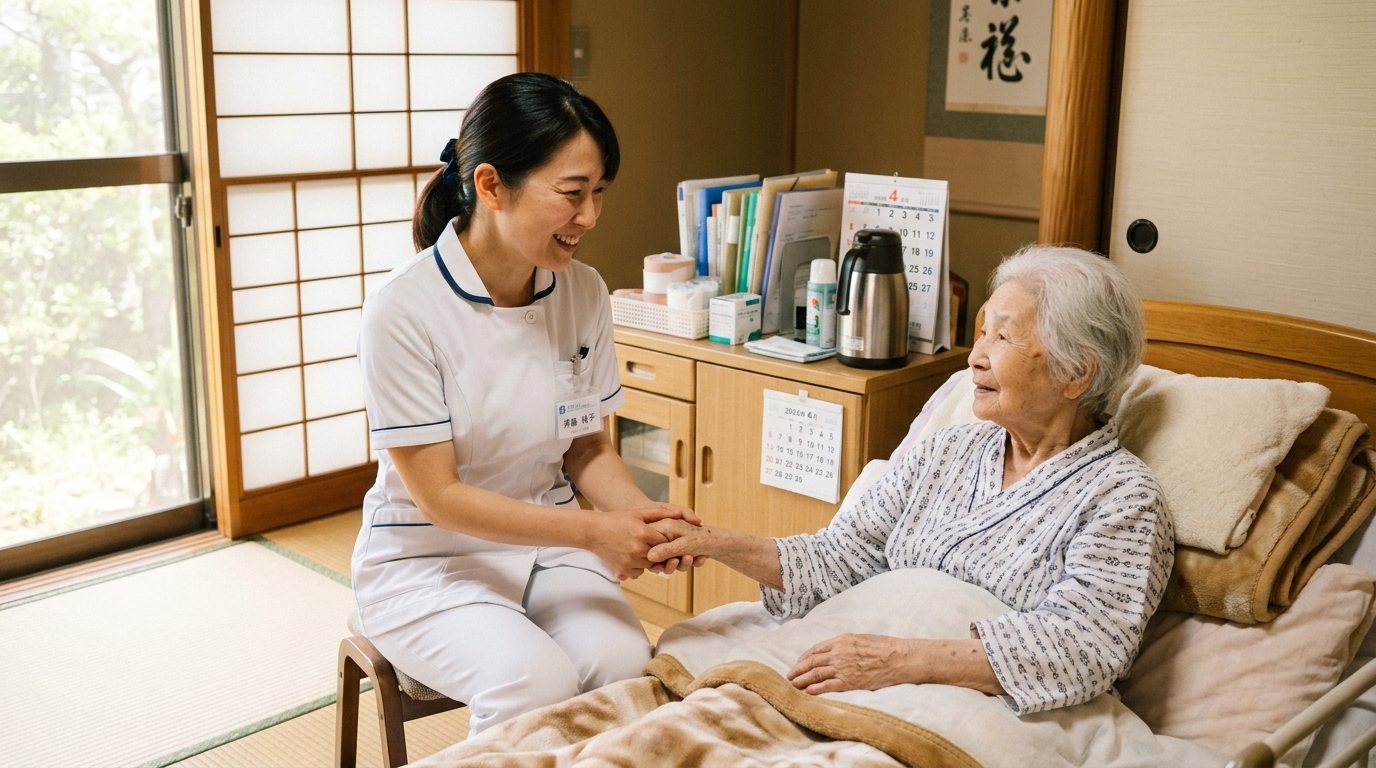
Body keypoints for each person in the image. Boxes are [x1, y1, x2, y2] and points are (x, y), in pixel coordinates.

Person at [648, 246, 1175, 715]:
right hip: (855, 669)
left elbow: (1084, 649)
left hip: (967, 706)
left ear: (1077, 372)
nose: (975, 357)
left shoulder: (1122, 498)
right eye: (982, 331)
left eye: (1005, 336)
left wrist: (897, 659)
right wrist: (715, 542)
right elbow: (840, 558)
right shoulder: (947, 450)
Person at [352, 73, 701, 735]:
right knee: (533, 684)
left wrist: (646, 520)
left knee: (627, 669)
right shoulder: (404, 309)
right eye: (572, 194)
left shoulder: (584, 292)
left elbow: (587, 447)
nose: (590, 217)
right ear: (490, 185)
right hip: (427, 558)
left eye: (598, 193)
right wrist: (596, 533)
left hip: (549, 547)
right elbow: (440, 498)